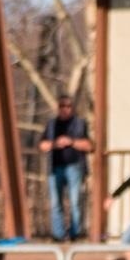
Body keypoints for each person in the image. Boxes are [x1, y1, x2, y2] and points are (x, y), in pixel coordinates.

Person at [39, 94, 91, 241]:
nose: (65, 109)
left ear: (72, 108)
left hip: (74, 167)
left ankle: (76, 232)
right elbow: (42, 145)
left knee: (75, 202)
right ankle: (58, 234)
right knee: (56, 203)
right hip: (55, 169)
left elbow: (89, 145)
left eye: (68, 106)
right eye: (62, 106)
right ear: (58, 107)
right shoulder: (51, 125)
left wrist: (71, 141)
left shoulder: (80, 124)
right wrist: (55, 143)